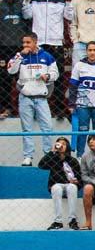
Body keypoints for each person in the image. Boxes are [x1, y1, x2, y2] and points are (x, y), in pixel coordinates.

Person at [21, 0, 72, 117]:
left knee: (58, 77)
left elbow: (69, 17)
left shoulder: (61, 1)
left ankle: (60, 109)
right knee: (37, 77)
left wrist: (69, 3)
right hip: (40, 45)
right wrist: (26, 2)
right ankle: (38, 110)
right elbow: (27, 15)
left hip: (55, 43)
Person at [8, 32, 58, 166]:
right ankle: (28, 157)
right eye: (23, 43)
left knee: (47, 127)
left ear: (35, 42)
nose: (25, 45)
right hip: (25, 97)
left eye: (28, 42)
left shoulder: (47, 56)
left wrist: (47, 76)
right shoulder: (20, 56)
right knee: (26, 128)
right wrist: (20, 55)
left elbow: (55, 73)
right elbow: (11, 70)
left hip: (41, 98)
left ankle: (48, 156)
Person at [69, 41, 95, 155]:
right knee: (82, 132)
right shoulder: (79, 65)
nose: (92, 53)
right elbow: (73, 86)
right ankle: (80, 156)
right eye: (89, 50)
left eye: (94, 50)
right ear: (86, 51)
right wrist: (71, 104)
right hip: (83, 105)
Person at [1, 0, 30, 120]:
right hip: (3, 47)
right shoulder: (1, 4)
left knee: (22, 78)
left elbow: (28, 22)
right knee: (4, 80)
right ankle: (6, 108)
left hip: (19, 48)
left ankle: (23, 109)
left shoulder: (22, 5)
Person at [39, 136, 82, 229]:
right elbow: (41, 165)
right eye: (59, 144)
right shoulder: (52, 159)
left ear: (68, 147)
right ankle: (58, 221)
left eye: (64, 144)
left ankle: (72, 220)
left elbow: (80, 179)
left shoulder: (73, 161)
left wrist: (76, 181)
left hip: (70, 185)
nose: (61, 146)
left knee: (72, 187)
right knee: (56, 188)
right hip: (57, 185)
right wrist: (52, 151)